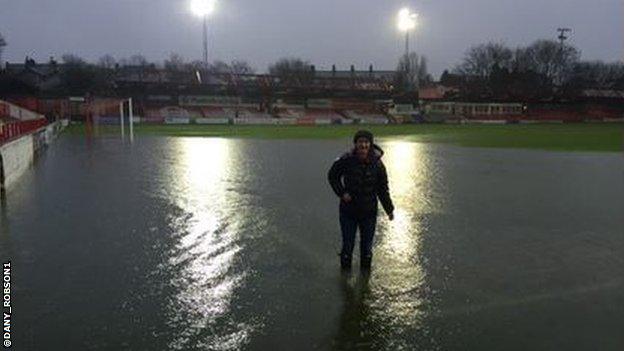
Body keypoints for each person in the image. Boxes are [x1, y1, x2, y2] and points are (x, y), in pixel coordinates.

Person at [327, 130, 394, 272]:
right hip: (348, 212)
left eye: (366, 142)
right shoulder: (346, 160)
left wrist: (389, 209)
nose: (363, 145)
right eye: (360, 142)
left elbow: (383, 189)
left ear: (370, 144)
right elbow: (332, 176)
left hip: (368, 213)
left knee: (367, 248)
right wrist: (342, 192)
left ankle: (365, 278)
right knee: (347, 246)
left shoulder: (378, 164)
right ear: (356, 144)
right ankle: (345, 278)